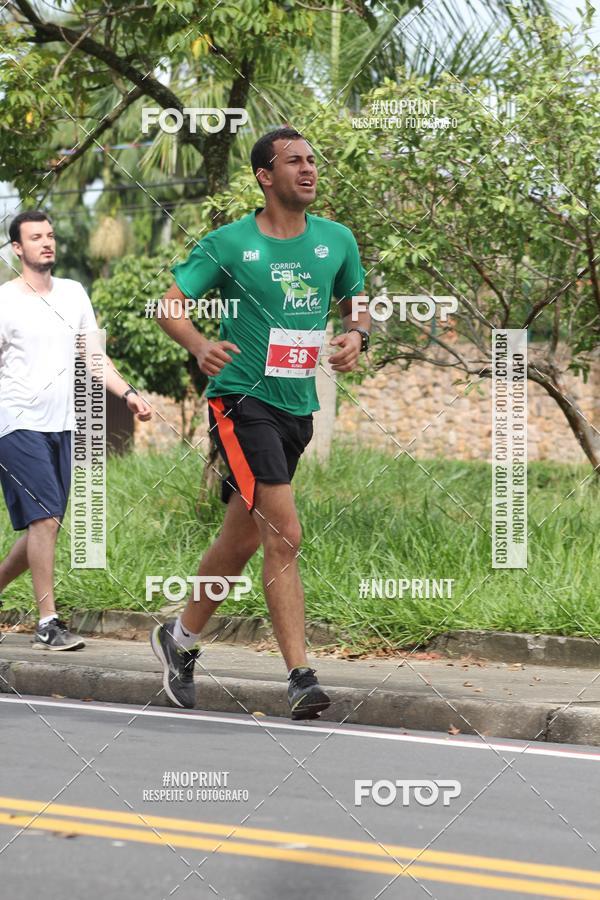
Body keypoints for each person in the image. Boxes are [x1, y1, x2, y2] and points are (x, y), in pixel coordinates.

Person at [151, 126, 371, 718]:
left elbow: (358, 303)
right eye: (293, 160)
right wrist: (199, 345)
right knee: (284, 534)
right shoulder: (229, 244)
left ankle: (181, 637)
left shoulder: (336, 240)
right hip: (242, 403)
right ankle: (300, 676)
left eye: (311, 159)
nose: (308, 169)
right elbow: (168, 305)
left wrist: (357, 334)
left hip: (299, 407)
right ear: (264, 176)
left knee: (242, 537)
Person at [0, 210, 152, 649]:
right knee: (45, 519)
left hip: (64, 424)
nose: (46, 243)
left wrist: (128, 393)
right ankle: (48, 622)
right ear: (17, 248)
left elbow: (94, 355)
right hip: (15, 423)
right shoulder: (5, 300)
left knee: (43, 526)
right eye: (35, 237)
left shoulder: (73, 293)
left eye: (50, 235)